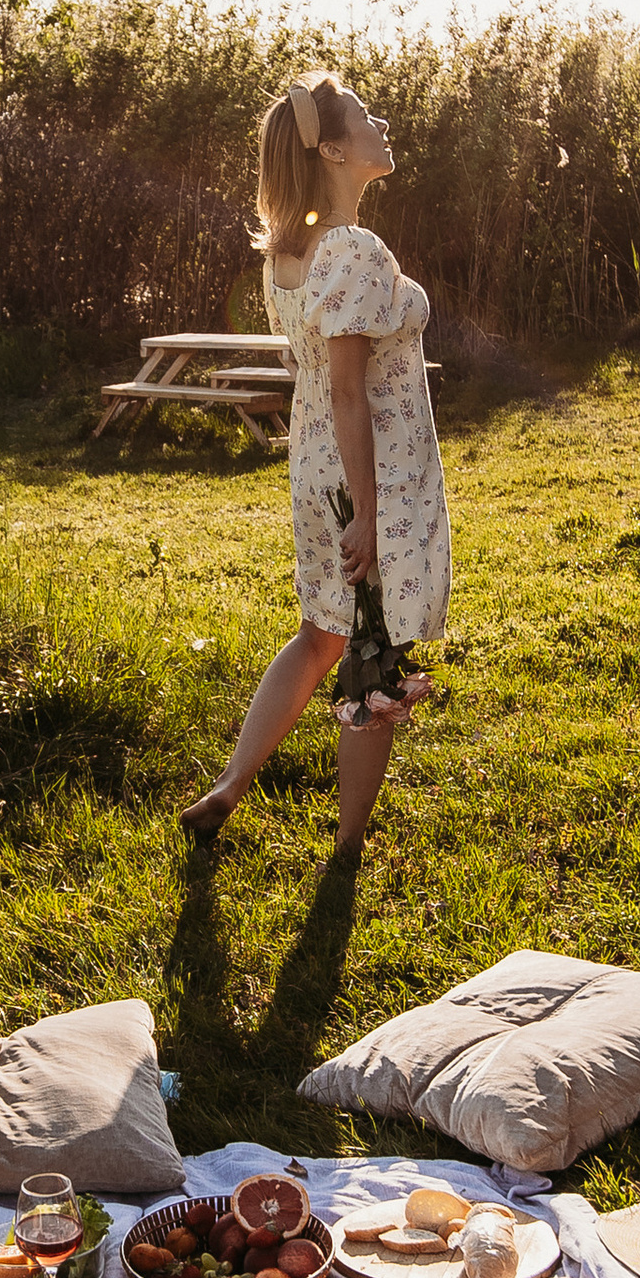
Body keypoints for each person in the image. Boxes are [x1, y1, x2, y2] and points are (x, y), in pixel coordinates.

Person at [181, 69, 450, 858]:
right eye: (366, 115)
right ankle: (348, 849)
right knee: (371, 651)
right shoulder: (354, 249)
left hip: (313, 470)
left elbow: (323, 384)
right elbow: (346, 390)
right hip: (370, 478)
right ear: (333, 148)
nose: (382, 122)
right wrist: (367, 511)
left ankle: (230, 786)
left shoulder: (289, 257)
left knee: (319, 636)